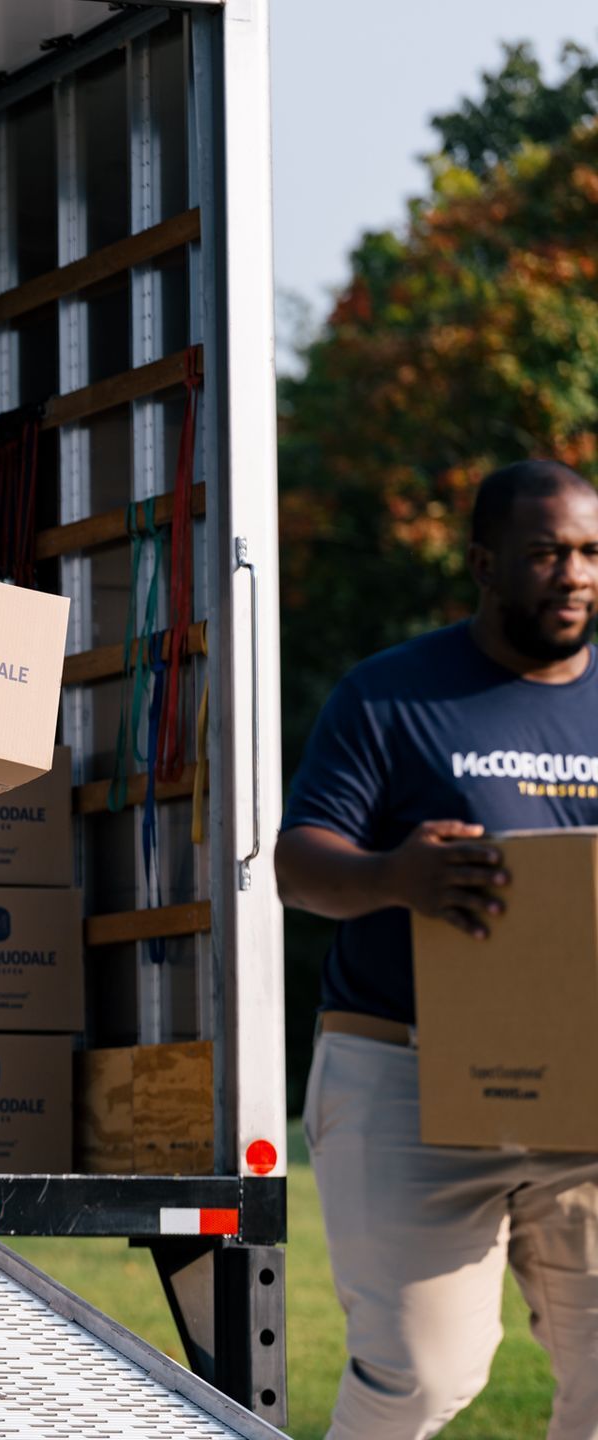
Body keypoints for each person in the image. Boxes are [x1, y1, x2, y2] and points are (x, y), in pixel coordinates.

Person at [277, 459, 598, 1438]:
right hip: (402, 1079)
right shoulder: (390, 696)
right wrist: (393, 879)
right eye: (545, 553)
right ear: (484, 563)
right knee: (423, 1374)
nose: (573, 574)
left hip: (580, 1087)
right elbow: (297, 863)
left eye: (588, 553)